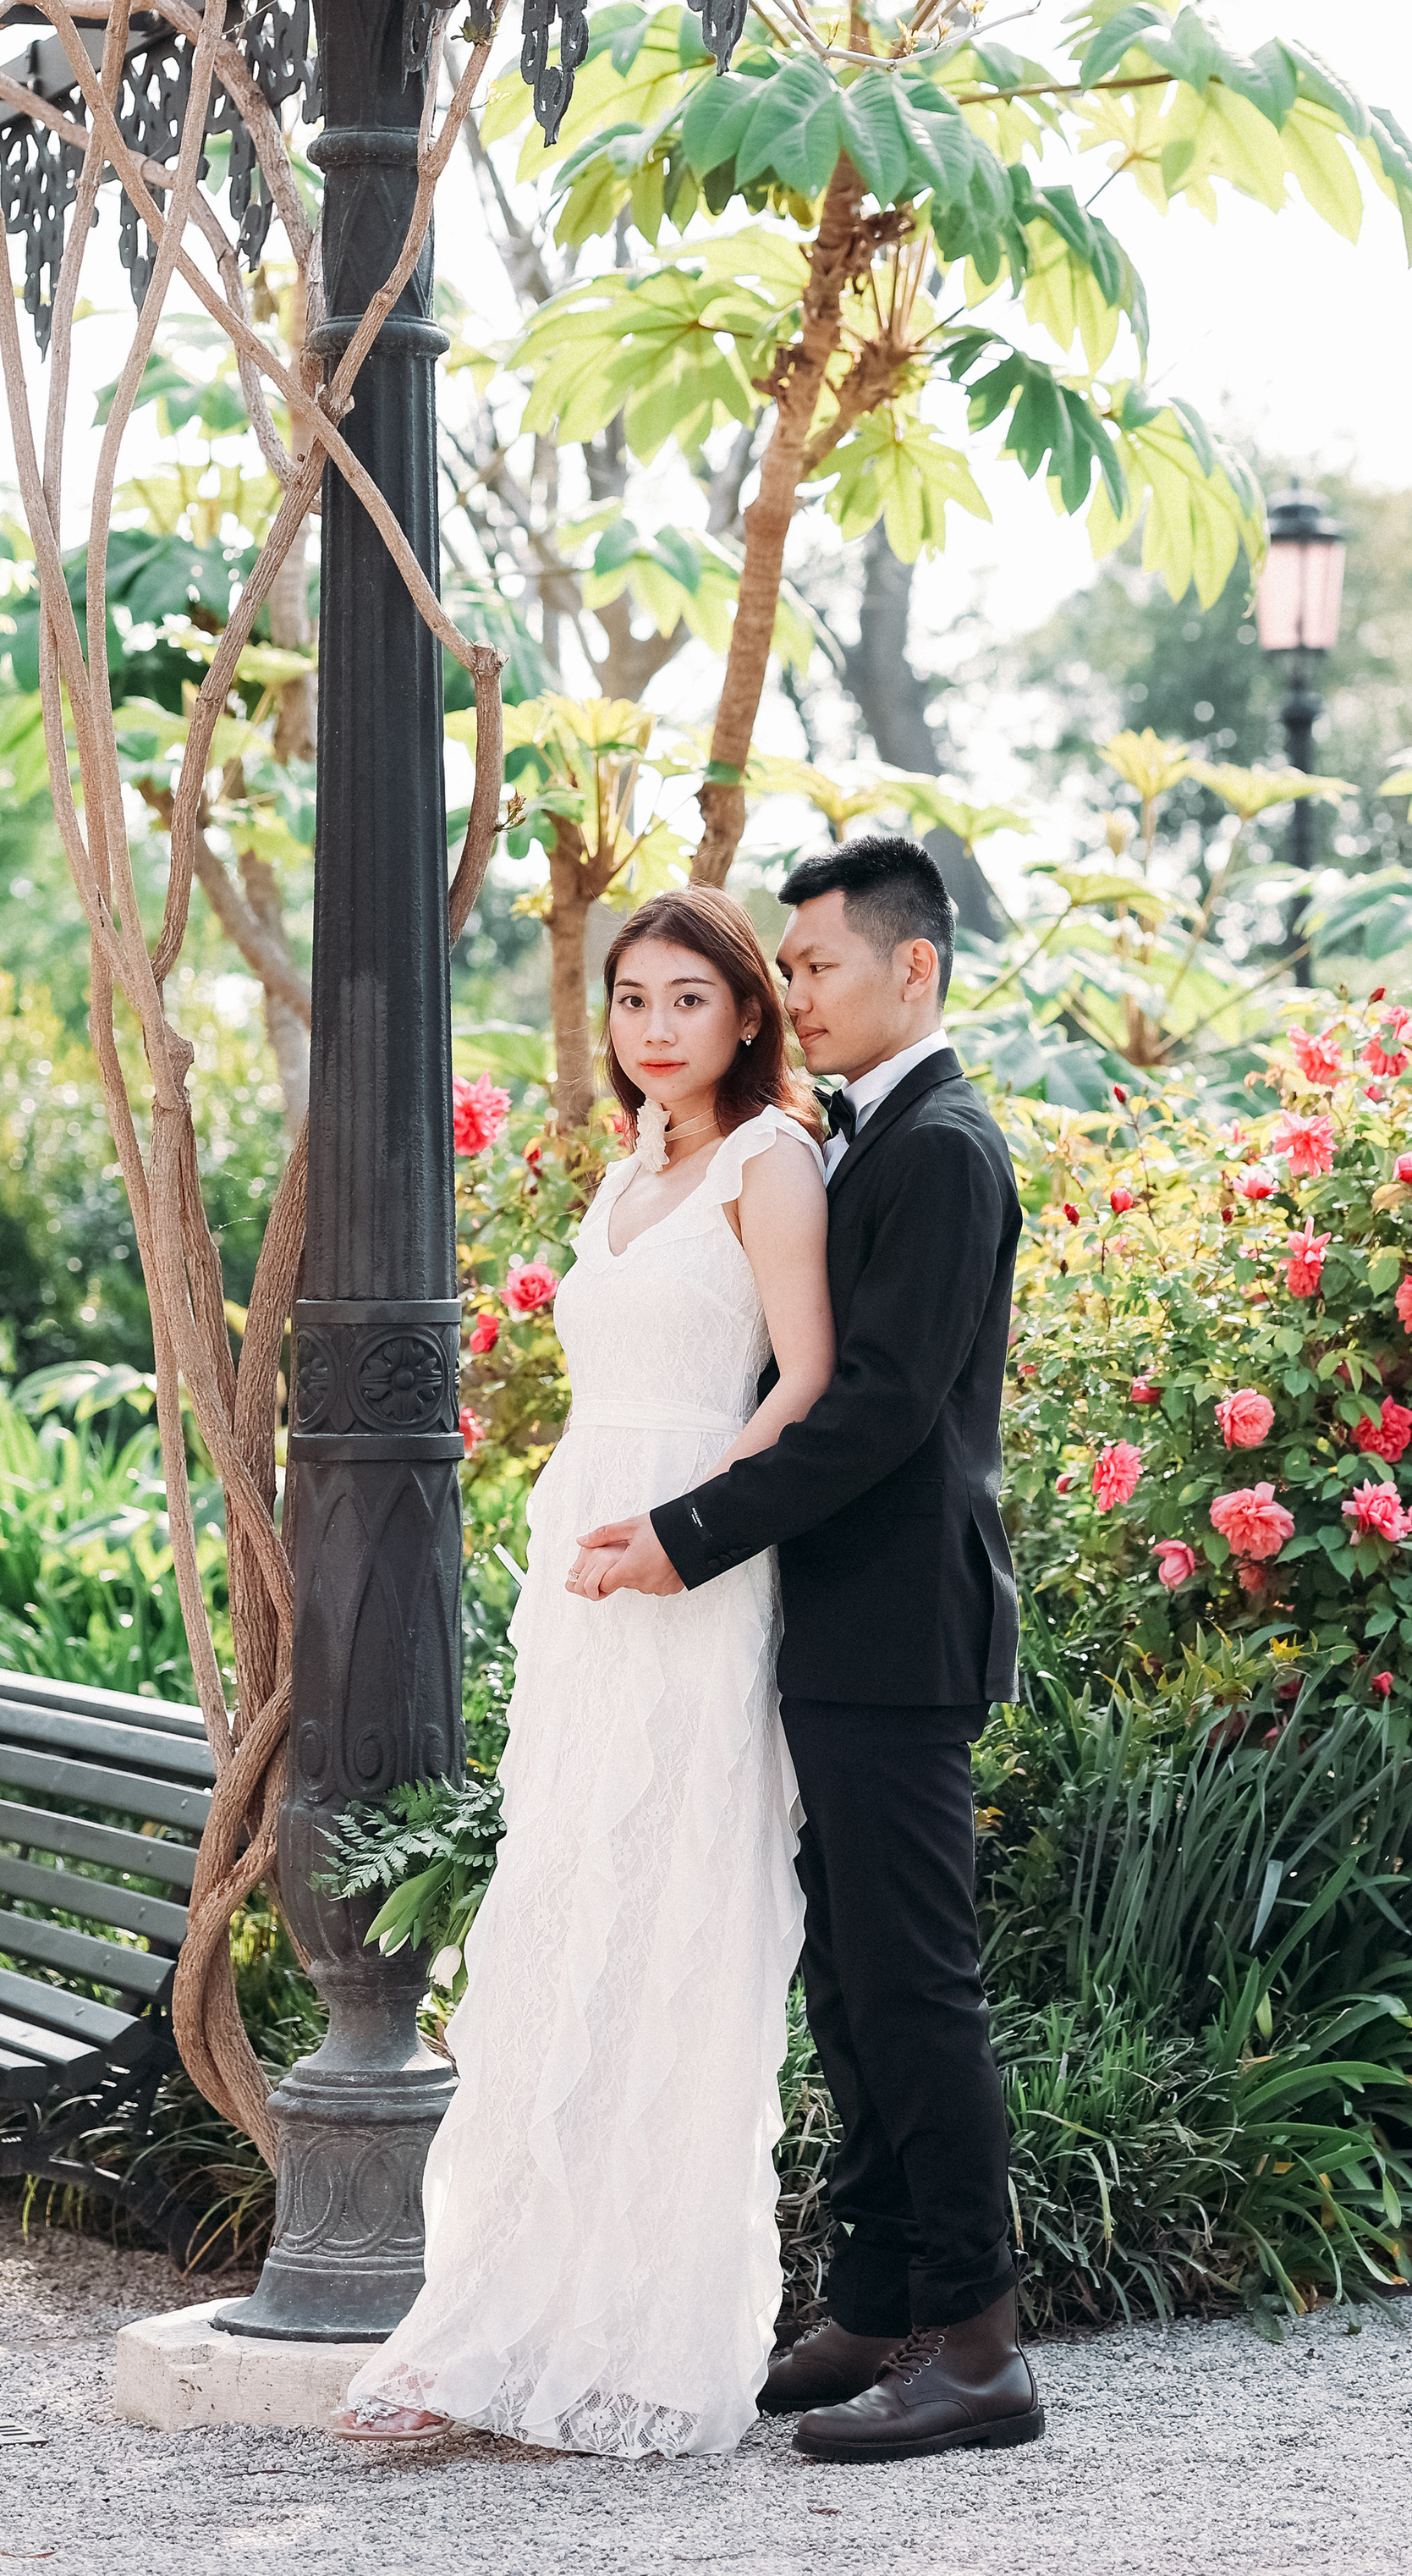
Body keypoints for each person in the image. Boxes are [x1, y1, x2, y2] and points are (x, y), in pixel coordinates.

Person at [334, 889, 832, 2453]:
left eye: (689, 999)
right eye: (631, 1001)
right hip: (587, 1584)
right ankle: (498, 2324)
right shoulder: (630, 1170)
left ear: (747, 1014)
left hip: (697, 1565)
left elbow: (806, 1385)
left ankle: (646, 2344)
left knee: (674, 1916)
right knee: (561, 1915)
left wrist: (684, 1530)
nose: (656, 1029)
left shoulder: (771, 1163)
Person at [573, 833, 1041, 2464]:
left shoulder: (945, 1149)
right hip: (826, 1625)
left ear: (913, 968)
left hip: (898, 1633)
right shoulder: (858, 1137)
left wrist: (687, 1533)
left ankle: (977, 2346)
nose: (798, 991)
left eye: (818, 965)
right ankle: (879, 2295)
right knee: (846, 1979)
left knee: (917, 1989)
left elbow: (880, 1409)